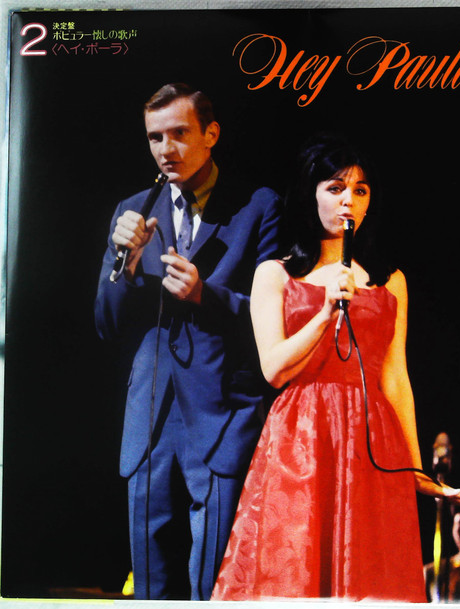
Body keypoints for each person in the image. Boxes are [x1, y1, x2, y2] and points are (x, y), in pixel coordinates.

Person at [211, 134, 460, 601]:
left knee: (370, 575)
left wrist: (415, 469)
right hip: (302, 435)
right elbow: (274, 370)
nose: (348, 201)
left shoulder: (389, 282)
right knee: (296, 565)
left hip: (373, 439)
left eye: (360, 190)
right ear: (311, 193)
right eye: (335, 188)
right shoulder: (276, 274)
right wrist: (324, 312)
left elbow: (395, 377)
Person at [94, 83, 281, 600]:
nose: (166, 149)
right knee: (149, 581)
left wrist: (205, 295)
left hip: (221, 411)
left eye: (179, 133)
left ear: (211, 134)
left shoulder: (258, 206)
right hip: (150, 412)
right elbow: (106, 323)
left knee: (213, 578)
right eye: (155, 138)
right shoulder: (133, 210)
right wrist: (129, 267)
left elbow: (274, 316)